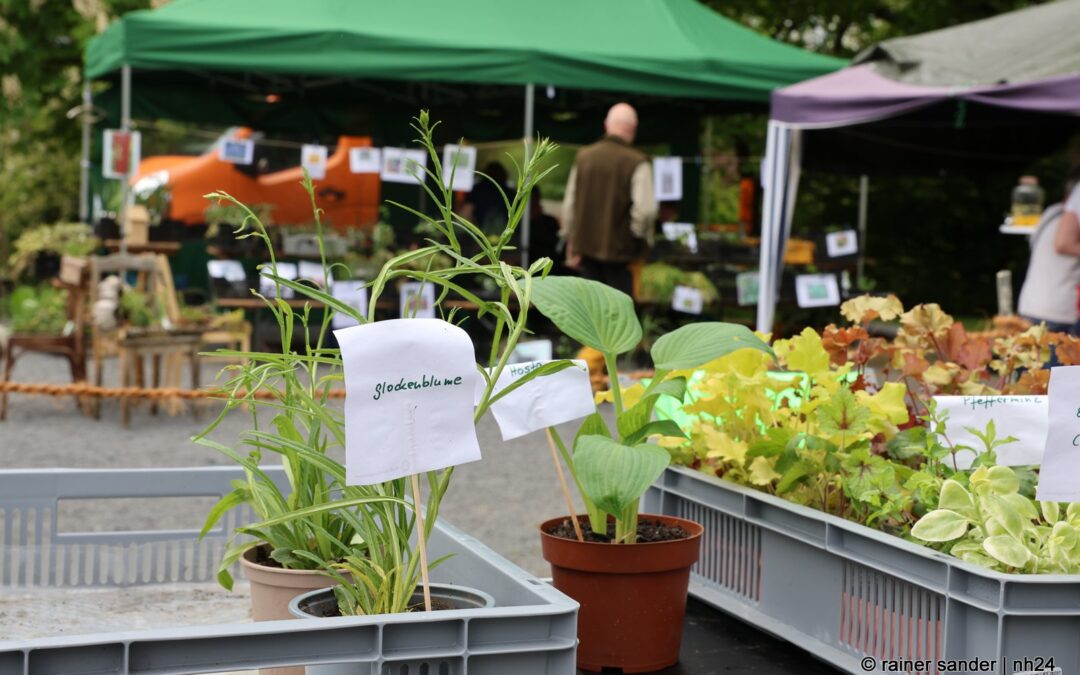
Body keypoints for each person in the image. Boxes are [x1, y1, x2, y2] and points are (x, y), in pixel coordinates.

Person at [561, 102, 657, 296]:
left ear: (606, 125)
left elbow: (569, 205)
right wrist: (636, 236)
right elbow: (646, 210)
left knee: (591, 313)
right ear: (633, 129)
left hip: (586, 252)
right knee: (619, 318)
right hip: (622, 256)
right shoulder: (637, 161)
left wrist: (571, 238)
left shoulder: (583, 157)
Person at [1018, 168, 1080, 333]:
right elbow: (1063, 244)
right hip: (1058, 311)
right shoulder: (1069, 220)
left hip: (1030, 304)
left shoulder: (1051, 212)